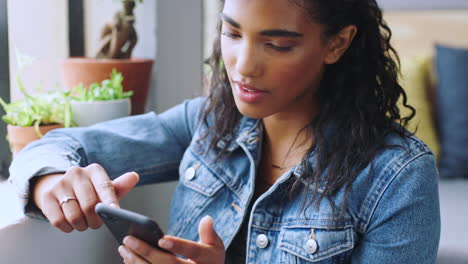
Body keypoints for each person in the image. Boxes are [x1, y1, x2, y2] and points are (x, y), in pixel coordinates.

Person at [9, 0, 440, 263]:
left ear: (337, 43)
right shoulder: (210, 122)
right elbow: (56, 145)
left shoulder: (397, 177)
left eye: (277, 44)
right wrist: (51, 181)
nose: (243, 65)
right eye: (232, 33)